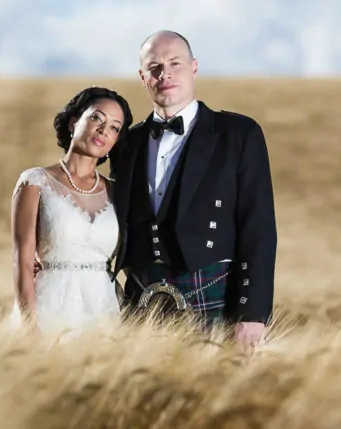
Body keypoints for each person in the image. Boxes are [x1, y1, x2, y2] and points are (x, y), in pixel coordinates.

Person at [108, 30, 278, 349]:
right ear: (142, 76)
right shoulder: (126, 144)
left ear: (194, 67)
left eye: (175, 63)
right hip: (142, 302)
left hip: (214, 296)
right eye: (154, 67)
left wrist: (253, 315)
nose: (165, 74)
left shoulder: (237, 134)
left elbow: (259, 229)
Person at [9, 86, 134, 337]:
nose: (103, 130)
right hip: (50, 307)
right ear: (73, 122)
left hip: (103, 311)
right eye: (96, 118)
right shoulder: (36, 181)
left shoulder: (118, 192)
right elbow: (22, 261)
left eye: (114, 127)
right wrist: (31, 327)